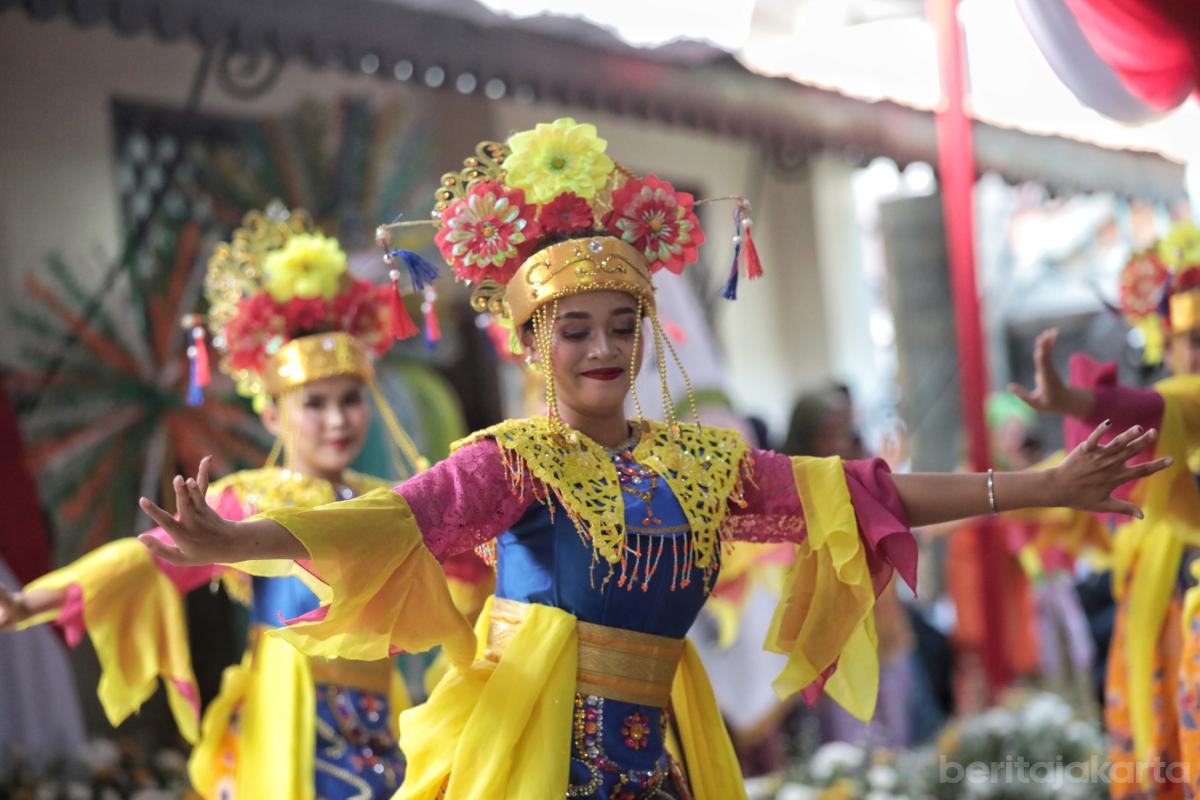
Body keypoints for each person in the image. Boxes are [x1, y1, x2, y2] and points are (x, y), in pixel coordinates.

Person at [139, 118, 1167, 799]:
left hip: (665, 743)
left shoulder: (706, 465)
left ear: (647, 332)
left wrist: (1043, 482)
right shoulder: (515, 462)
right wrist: (243, 535)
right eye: (573, 328)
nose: (600, 349)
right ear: (531, 344)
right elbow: (396, 519)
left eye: (620, 324)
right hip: (538, 749)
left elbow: (860, 494)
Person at [0, 205, 432, 800]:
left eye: (351, 399)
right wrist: (36, 600)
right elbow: (151, 557)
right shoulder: (249, 499)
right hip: (290, 720)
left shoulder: (386, 502)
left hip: (380, 714)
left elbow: (462, 568)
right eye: (315, 403)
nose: (337, 419)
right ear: (273, 410)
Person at [1011, 221, 1200, 797]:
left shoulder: (1174, 409)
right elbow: (1054, 486)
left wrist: (1077, 400)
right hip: (1163, 640)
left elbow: (1159, 409)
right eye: (1195, 339)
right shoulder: (1161, 424)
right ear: (1164, 346)